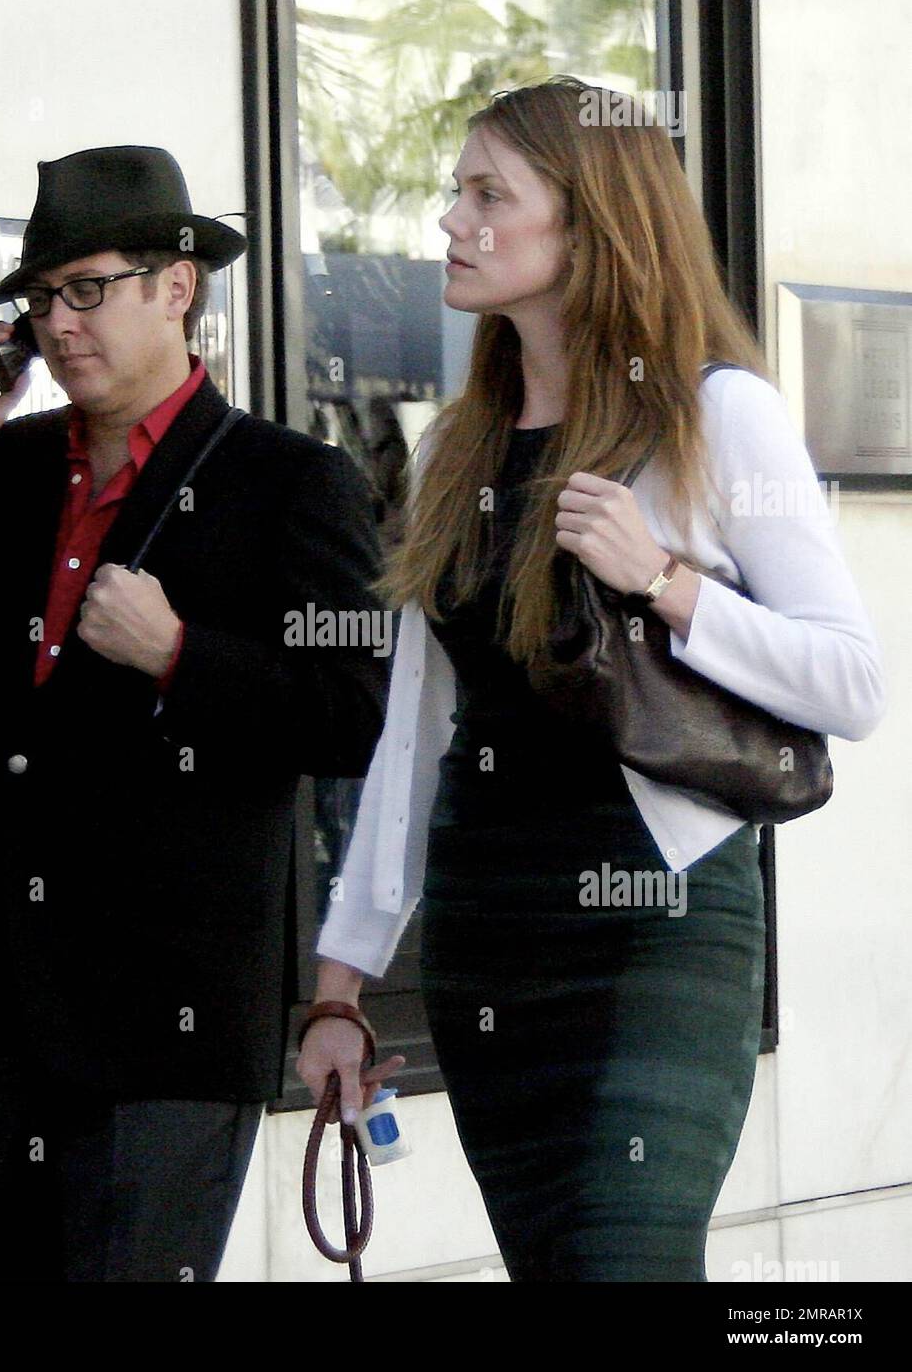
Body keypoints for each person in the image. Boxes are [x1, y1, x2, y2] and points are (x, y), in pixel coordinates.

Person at [298, 78, 886, 1282]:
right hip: (486, 945)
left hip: (656, 940)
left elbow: (851, 682)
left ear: (591, 224)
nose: (452, 223)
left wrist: (668, 582)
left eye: (487, 195)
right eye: (455, 192)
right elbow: (411, 739)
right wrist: (338, 983)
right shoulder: (453, 443)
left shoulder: (716, 417)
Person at [0, 145, 389, 1282]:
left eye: (87, 289)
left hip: (163, 1032)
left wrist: (182, 655)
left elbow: (351, 717)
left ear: (175, 286)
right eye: (41, 298)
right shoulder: (0, 465)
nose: (59, 322)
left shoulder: (287, 481)